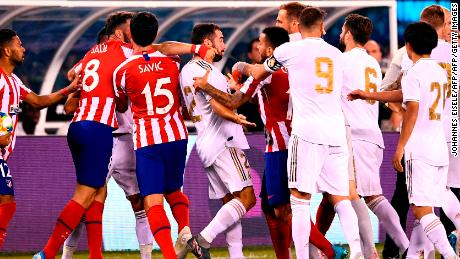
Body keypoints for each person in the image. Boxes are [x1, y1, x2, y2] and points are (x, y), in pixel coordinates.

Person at [248, 6, 364, 259]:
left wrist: (242, 67)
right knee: (341, 198)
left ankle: (302, 257)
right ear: (322, 28)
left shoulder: (287, 50)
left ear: (298, 27)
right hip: (335, 133)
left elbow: (259, 72)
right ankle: (356, 250)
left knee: (299, 200)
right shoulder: (336, 54)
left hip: (307, 133)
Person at [348, 21, 456, 259]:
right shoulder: (440, 71)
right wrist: (369, 94)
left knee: (421, 209)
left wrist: (400, 148)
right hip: (439, 146)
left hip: (419, 149)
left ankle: (449, 255)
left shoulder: (413, 72)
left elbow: (413, 109)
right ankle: (418, 254)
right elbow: (406, 94)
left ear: (408, 46)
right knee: (428, 207)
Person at [61, 25, 155, 259]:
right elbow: (69, 105)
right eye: (125, 32)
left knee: (138, 202)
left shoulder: (126, 62)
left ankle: (146, 256)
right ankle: (66, 254)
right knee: (85, 202)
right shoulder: (107, 63)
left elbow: (72, 80)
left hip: (124, 139)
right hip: (100, 136)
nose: (128, 38)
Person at [112, 11, 192, 259]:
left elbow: (122, 105)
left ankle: (169, 255)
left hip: (148, 141)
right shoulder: (174, 61)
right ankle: (185, 231)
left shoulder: (122, 71)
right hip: (177, 136)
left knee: (153, 201)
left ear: (130, 35)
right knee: (175, 190)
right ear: (155, 34)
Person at [180, 23, 257, 259]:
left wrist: (231, 90)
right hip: (224, 140)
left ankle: (236, 255)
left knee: (231, 203)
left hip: (204, 142)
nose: (224, 44)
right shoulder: (209, 72)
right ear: (207, 43)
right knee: (247, 199)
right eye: (221, 39)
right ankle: (201, 240)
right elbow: (217, 105)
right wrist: (236, 116)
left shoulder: (186, 70)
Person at [0, 28, 80, 248]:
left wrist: (69, 89)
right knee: (6, 203)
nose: (23, 48)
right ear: (7, 50)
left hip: (2, 154)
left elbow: (37, 101)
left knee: (6, 204)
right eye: (19, 44)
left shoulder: (13, 81)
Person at [339, 14, 409, 258]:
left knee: (356, 195)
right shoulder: (371, 63)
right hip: (372, 134)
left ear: (348, 34)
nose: (340, 34)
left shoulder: (341, 61)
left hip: (354, 135)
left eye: (342, 30)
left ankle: (370, 250)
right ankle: (401, 247)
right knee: (370, 196)